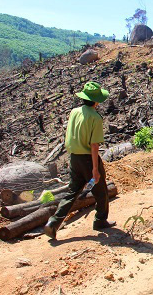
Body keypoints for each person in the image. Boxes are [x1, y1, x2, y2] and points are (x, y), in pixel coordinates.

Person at [44, 81, 115, 239]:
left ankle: (53, 222)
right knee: (101, 191)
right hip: (88, 159)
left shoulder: (75, 112)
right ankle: (100, 220)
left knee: (72, 192)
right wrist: (95, 170)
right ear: (96, 100)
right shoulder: (95, 117)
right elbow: (94, 145)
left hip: (74, 158)